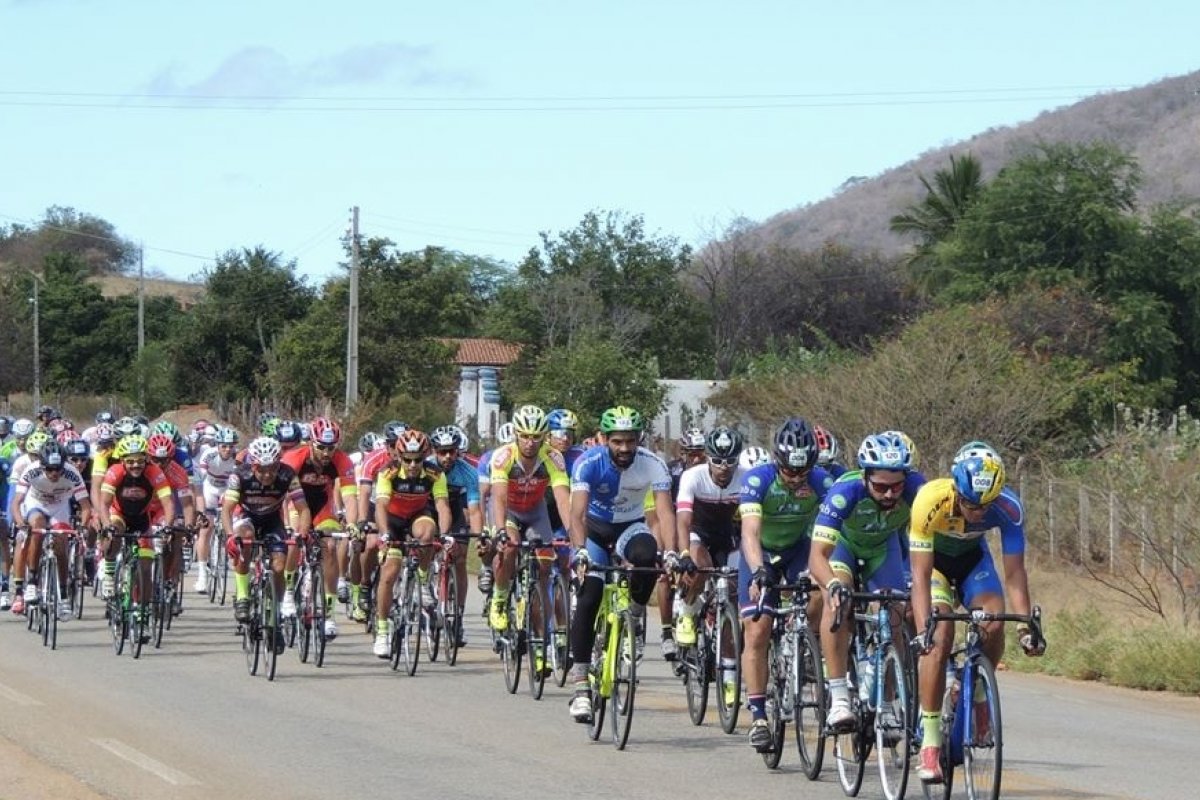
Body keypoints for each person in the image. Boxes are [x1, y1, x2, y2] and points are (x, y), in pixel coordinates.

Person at [909, 441, 1044, 784]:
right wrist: (925, 627)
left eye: (985, 505)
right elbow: (921, 576)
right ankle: (929, 741)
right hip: (936, 567)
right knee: (939, 638)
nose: (977, 512)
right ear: (955, 488)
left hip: (972, 563)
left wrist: (1026, 625)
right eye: (969, 503)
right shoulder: (929, 500)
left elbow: (1015, 573)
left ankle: (980, 690)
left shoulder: (1009, 507)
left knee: (994, 621)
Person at [810, 432, 925, 731]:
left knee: (896, 614)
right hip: (843, 549)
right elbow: (817, 557)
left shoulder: (917, 489)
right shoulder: (844, 492)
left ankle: (886, 702)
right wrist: (832, 585)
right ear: (865, 477)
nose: (890, 494)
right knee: (837, 603)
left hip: (882, 550)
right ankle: (838, 700)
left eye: (896, 486)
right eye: (881, 487)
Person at [566, 405, 675, 722]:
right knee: (588, 597)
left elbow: (666, 514)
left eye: (630, 441)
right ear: (604, 439)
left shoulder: (652, 463)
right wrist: (580, 550)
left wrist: (671, 552)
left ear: (638, 439)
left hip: (630, 527)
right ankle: (580, 687)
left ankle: (636, 615)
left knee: (647, 558)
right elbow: (576, 515)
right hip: (595, 533)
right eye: (617, 441)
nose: (624, 448)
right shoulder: (588, 463)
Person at [738, 417, 835, 751]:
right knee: (757, 627)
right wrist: (757, 570)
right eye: (789, 471)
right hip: (761, 550)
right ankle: (759, 714)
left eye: (802, 471)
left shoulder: (822, 481)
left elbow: (831, 532)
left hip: (798, 549)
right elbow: (749, 532)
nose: (795, 479)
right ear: (776, 460)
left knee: (819, 593)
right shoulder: (758, 480)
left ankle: (803, 642)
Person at [672, 426, 746, 697]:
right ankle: (688, 613)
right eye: (717, 460)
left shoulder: (746, 479)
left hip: (730, 538)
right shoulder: (692, 476)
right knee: (699, 564)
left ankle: (728, 673)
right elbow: (683, 520)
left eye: (730, 461)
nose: (723, 468)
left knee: (734, 598)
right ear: (707, 457)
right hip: (698, 533)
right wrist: (683, 554)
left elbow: (753, 524)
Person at [223, 437, 311, 654]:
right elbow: (226, 509)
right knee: (246, 539)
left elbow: (303, 509)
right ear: (253, 465)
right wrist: (229, 536)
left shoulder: (287, 475)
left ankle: (274, 614)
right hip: (246, 517)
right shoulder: (240, 475)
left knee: (279, 567)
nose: (267, 474)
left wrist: (302, 533)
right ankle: (243, 595)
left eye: (272, 468)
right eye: (261, 470)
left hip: (273, 520)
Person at [371, 429, 451, 657]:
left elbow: (442, 506)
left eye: (418, 460)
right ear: (399, 456)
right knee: (390, 571)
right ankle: (383, 630)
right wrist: (385, 534)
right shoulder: (388, 472)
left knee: (428, 533)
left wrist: (444, 535)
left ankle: (424, 581)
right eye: (407, 460)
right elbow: (381, 507)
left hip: (417, 514)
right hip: (393, 520)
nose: (413, 465)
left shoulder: (435, 473)